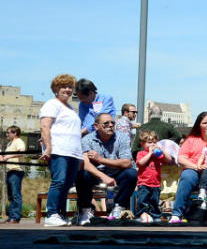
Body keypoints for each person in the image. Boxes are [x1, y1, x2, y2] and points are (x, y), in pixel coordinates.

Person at [75, 113, 138, 223]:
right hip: (96, 174)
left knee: (131, 173)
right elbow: (85, 163)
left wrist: (101, 160)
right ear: (96, 126)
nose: (110, 125)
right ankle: (86, 209)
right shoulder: (87, 139)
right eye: (106, 123)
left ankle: (119, 207)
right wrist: (103, 176)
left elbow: (127, 162)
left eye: (112, 123)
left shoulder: (122, 137)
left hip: (117, 173)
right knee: (81, 174)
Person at [39, 74, 83, 227]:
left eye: (70, 87)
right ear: (56, 89)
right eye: (64, 86)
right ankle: (51, 214)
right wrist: (48, 148)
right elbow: (45, 126)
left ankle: (60, 213)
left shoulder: (70, 108)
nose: (68, 90)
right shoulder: (52, 104)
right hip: (59, 150)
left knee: (67, 183)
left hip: (72, 152)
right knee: (59, 181)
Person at [132, 130, 173, 223]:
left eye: (154, 142)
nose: (152, 145)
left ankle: (155, 215)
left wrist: (163, 151)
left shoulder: (158, 155)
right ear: (142, 144)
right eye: (149, 142)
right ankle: (141, 214)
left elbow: (169, 159)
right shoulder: (141, 153)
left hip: (156, 183)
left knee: (154, 201)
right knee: (142, 200)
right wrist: (150, 154)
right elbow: (140, 163)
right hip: (144, 183)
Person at [1, 126, 26, 223]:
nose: (7, 134)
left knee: (16, 195)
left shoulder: (18, 141)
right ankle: (11, 216)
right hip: (10, 171)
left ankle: (15, 217)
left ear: (15, 133)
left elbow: (22, 152)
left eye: (8, 133)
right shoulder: (9, 143)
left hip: (16, 171)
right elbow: (6, 157)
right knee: (11, 196)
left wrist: (9, 156)